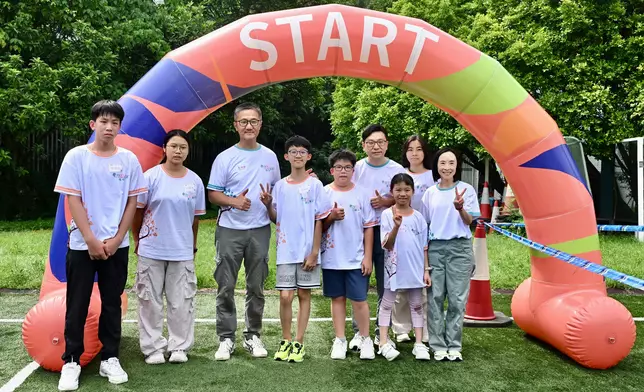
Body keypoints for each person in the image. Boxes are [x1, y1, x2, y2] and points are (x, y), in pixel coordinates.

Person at [55, 100, 147, 391]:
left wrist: (119, 238)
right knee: (77, 303)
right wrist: (92, 240)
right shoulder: (76, 157)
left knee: (112, 303)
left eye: (115, 123)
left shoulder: (129, 160)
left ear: (120, 127)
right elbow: (73, 200)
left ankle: (110, 358)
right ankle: (71, 361)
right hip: (83, 245)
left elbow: (133, 200)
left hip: (116, 247)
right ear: (93, 124)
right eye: (103, 121)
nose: (109, 127)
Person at [207, 102, 280, 361]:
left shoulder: (270, 157)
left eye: (253, 121)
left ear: (260, 124)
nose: (249, 126)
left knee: (256, 286)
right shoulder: (225, 157)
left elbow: (275, 194)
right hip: (230, 230)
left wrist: (269, 203)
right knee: (225, 285)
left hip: (259, 230)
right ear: (235, 125)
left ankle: (252, 335)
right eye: (243, 121)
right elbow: (213, 194)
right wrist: (234, 201)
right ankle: (226, 338)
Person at [132, 130, 206, 365]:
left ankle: (179, 347)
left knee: (181, 301)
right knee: (149, 300)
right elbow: (138, 212)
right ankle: (153, 348)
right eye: (174, 146)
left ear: (188, 150)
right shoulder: (150, 177)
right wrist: (138, 240)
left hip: (181, 250)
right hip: (152, 248)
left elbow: (195, 219)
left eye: (183, 147)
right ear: (164, 148)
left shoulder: (194, 181)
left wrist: (192, 247)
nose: (178, 151)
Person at [260, 135, 332, 363]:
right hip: (285, 251)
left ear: (308, 156)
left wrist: (314, 252)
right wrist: (267, 205)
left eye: (302, 152)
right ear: (286, 156)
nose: (298, 155)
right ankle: (285, 340)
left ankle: (299, 342)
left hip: (307, 251)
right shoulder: (279, 186)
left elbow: (319, 220)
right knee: (285, 296)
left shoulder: (316, 185)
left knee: (303, 294)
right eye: (294, 152)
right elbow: (275, 218)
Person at [349, 124, 406, 349]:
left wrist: (387, 201)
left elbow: (405, 195)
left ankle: (382, 332)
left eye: (381, 142)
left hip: (388, 233)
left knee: (386, 285)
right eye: (371, 143)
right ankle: (358, 332)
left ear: (387, 144)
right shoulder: (356, 168)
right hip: (360, 233)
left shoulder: (397, 169)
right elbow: (343, 188)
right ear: (363, 145)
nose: (376, 146)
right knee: (358, 284)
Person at [421, 147, 480, 361]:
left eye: (451, 163)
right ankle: (437, 345)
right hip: (436, 248)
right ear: (437, 166)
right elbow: (425, 227)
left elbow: (469, 222)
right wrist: (425, 260)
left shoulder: (466, 190)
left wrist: (460, 207)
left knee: (457, 299)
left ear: (457, 167)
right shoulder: (430, 193)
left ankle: (454, 344)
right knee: (435, 298)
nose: (447, 167)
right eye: (443, 163)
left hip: (460, 249)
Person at [321, 149, 377, 360]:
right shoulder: (325, 193)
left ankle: (365, 339)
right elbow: (319, 225)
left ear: (353, 170)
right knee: (337, 299)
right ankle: (340, 339)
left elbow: (369, 227)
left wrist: (368, 256)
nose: (343, 171)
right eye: (338, 167)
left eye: (347, 167)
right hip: (331, 257)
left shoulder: (362, 193)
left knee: (359, 300)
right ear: (331, 170)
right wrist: (331, 217)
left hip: (356, 257)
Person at [377, 173, 432, 361]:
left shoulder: (419, 217)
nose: (402, 193)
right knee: (387, 304)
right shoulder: (386, 214)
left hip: (415, 268)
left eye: (407, 189)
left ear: (413, 192)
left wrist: (426, 270)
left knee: (416, 305)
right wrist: (396, 226)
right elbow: (387, 244)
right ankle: (383, 342)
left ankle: (419, 344)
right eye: (398, 189)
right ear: (392, 191)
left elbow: (424, 247)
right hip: (393, 268)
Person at [391, 135, 434, 343]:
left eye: (419, 149)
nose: (414, 153)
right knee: (400, 285)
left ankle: (423, 327)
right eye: (410, 149)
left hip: (423, 234)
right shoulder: (398, 174)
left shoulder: (433, 176)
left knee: (421, 284)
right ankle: (400, 329)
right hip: (399, 234)